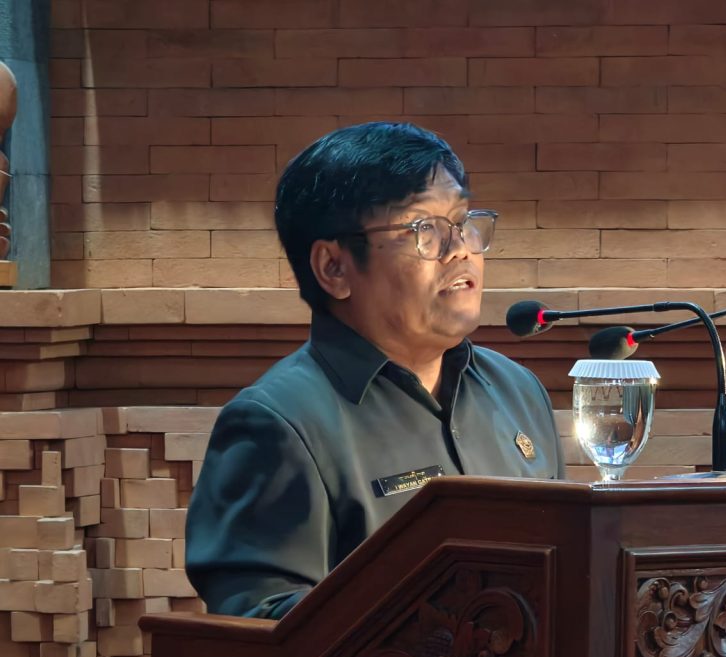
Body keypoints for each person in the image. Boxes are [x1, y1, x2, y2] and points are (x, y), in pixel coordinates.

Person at [185, 122, 565, 619]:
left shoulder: (518, 391)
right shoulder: (277, 424)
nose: (460, 248)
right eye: (423, 229)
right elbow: (263, 635)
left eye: (463, 221)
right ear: (334, 268)